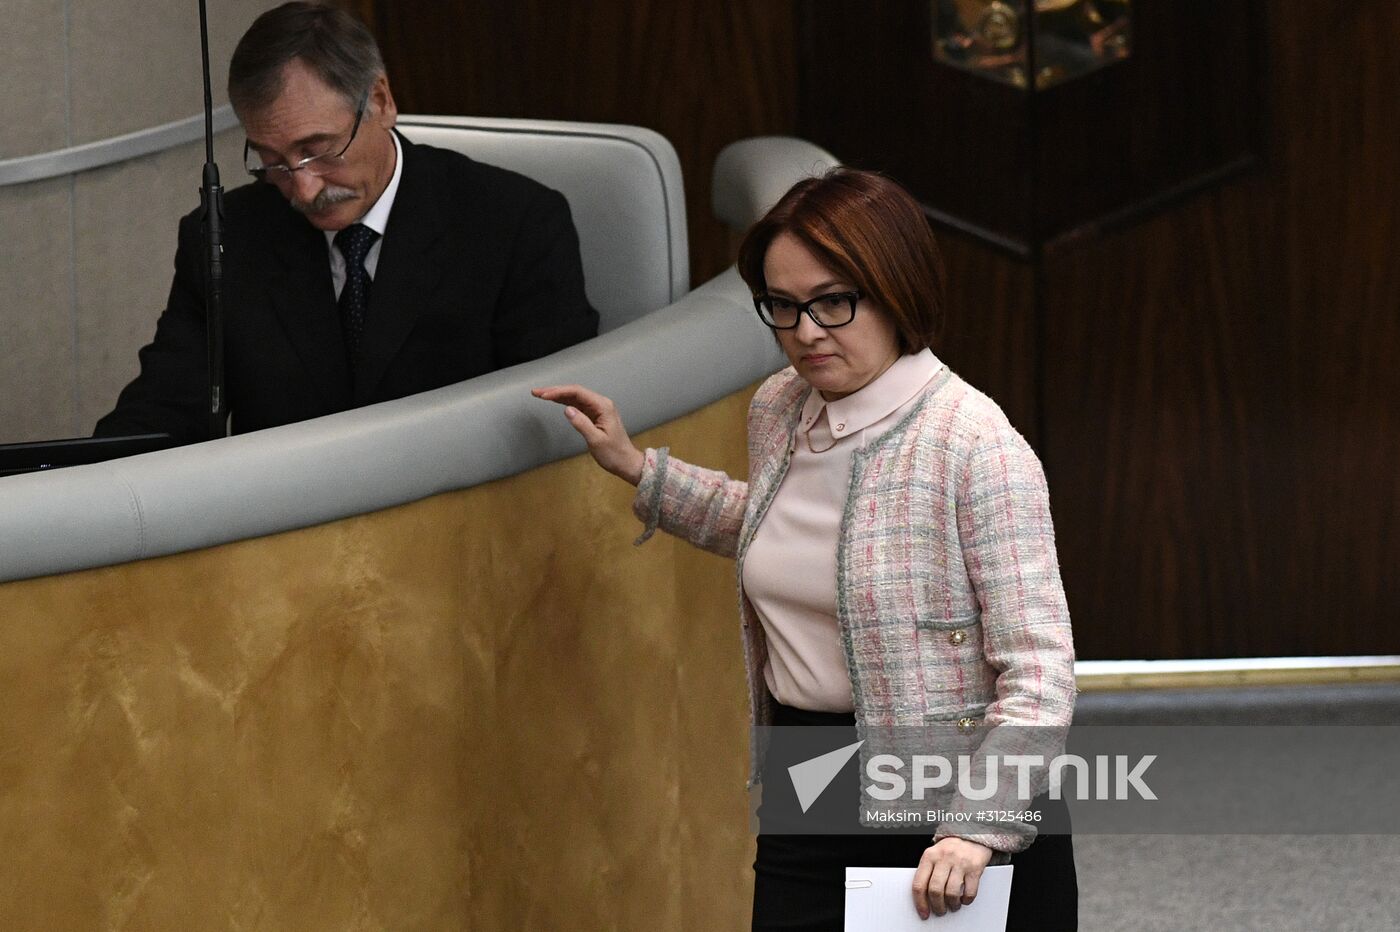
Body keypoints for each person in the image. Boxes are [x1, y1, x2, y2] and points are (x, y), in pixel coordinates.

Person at [535, 168, 1078, 929]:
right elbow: (787, 538)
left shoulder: (973, 443)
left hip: (947, 795)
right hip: (809, 772)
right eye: (783, 307)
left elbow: (1041, 670)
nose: (805, 332)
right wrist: (638, 467)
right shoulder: (779, 407)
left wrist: (975, 827)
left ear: (897, 291)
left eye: (832, 302)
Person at [95, 1, 596, 442]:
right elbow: (163, 410)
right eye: (273, 161)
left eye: (318, 152)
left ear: (380, 101)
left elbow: (552, 427)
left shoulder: (514, 223)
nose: (304, 189)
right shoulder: (228, 237)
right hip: (290, 532)